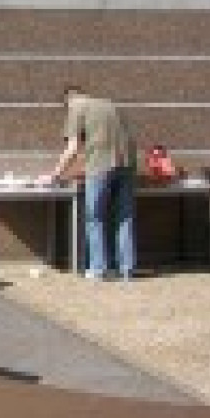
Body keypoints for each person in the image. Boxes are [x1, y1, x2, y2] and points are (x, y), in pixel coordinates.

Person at [39, 86, 138, 280]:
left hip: (101, 165)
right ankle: (127, 268)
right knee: (124, 216)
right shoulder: (109, 104)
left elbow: (73, 147)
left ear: (68, 101)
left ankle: (98, 269)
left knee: (95, 217)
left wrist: (54, 175)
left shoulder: (76, 107)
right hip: (127, 164)